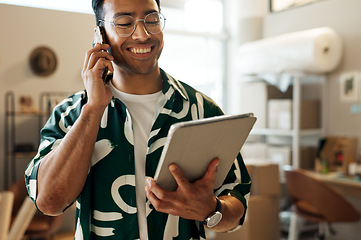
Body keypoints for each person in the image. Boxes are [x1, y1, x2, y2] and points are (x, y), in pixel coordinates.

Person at [25, 0, 251, 239]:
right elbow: (49, 203)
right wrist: (93, 108)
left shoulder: (203, 110)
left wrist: (212, 210)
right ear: (100, 34)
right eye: (124, 23)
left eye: (152, 20)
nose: (142, 34)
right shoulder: (72, 113)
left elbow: (238, 205)